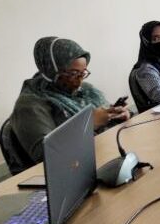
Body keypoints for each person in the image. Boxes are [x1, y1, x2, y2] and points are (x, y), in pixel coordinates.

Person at [8, 37, 129, 171]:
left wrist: (116, 116)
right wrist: (88, 124)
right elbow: (46, 155)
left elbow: (102, 119)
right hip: (72, 170)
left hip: (101, 155)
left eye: (83, 73)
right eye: (73, 73)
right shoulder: (29, 106)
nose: (80, 80)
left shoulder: (84, 90)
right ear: (52, 71)